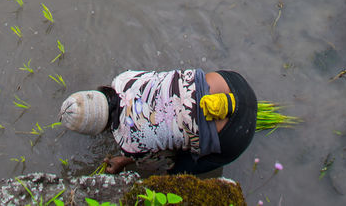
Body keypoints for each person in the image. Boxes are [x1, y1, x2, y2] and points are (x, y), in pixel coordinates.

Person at [59, 68, 256, 175]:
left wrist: (126, 160)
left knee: (177, 171)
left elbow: (164, 163)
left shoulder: (129, 141)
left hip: (237, 133)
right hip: (233, 83)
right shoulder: (123, 79)